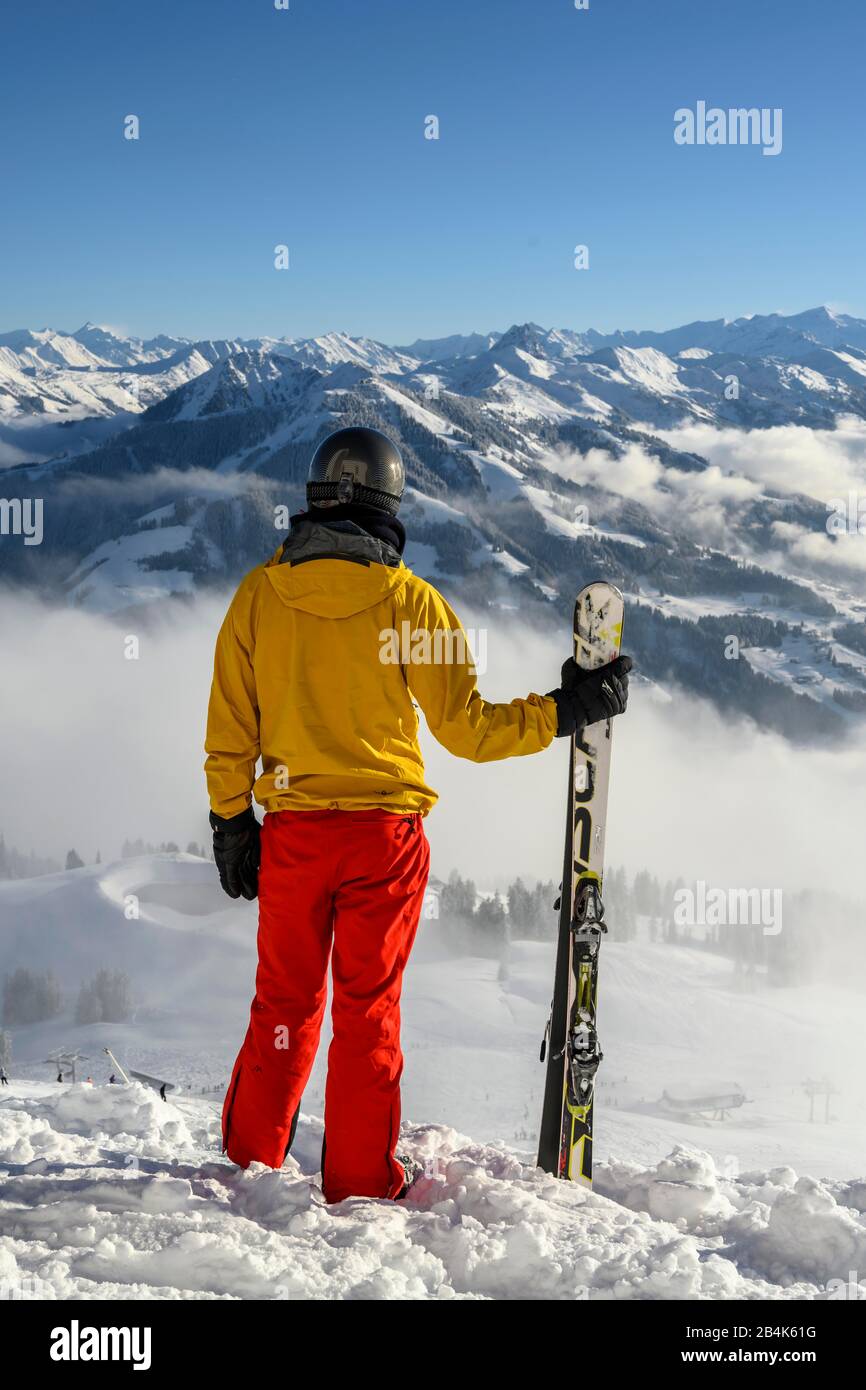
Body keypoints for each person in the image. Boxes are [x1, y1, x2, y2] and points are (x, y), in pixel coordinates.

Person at [205, 426, 631, 1204]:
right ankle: (361, 1181)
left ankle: (249, 1161)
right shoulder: (412, 604)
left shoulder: (258, 598)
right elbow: (469, 731)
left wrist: (232, 824)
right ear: (389, 505)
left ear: (313, 500)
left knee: (284, 1001)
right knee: (368, 1013)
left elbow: (231, 730)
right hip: (384, 842)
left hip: (296, 833)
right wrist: (566, 709)